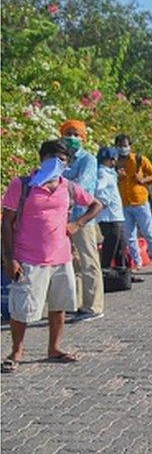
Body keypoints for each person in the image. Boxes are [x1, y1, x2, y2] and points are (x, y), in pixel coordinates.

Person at [2, 140, 103, 372]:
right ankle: (16, 350)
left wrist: (77, 224)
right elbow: (6, 222)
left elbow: (97, 204)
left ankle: (54, 348)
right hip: (29, 257)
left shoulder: (67, 186)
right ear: (42, 159)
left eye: (63, 159)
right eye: (54, 158)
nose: (59, 163)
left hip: (61, 257)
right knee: (22, 308)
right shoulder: (22, 185)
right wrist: (10, 257)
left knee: (59, 305)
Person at [59, 120, 104, 322]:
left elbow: (81, 187)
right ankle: (75, 303)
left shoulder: (88, 159)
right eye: (68, 133)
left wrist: (58, 186)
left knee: (88, 262)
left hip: (83, 217)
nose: (72, 137)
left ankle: (93, 306)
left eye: (76, 134)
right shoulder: (61, 160)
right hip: (63, 217)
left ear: (83, 137)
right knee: (72, 263)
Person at [114, 134, 152, 274]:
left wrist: (143, 180)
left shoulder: (139, 159)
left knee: (149, 233)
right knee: (129, 236)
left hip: (140, 202)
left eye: (125, 145)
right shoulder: (114, 162)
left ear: (130, 146)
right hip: (124, 203)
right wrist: (117, 178)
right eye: (119, 146)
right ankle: (137, 263)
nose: (122, 148)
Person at [94, 147, 126, 269]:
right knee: (110, 248)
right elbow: (97, 188)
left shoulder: (109, 173)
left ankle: (122, 272)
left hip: (116, 216)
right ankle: (106, 271)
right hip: (110, 218)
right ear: (109, 160)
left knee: (120, 247)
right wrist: (104, 200)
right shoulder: (102, 173)